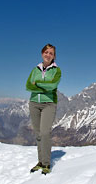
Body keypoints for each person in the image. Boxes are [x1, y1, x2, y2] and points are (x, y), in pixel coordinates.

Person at [26, 43, 61, 175]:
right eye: (46, 52)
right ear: (42, 54)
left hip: (49, 103)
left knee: (45, 132)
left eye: (51, 53)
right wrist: (41, 85)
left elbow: (52, 86)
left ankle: (46, 163)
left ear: (54, 57)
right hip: (34, 103)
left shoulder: (57, 71)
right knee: (38, 133)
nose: (48, 55)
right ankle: (40, 162)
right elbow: (28, 86)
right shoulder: (35, 70)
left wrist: (38, 84)